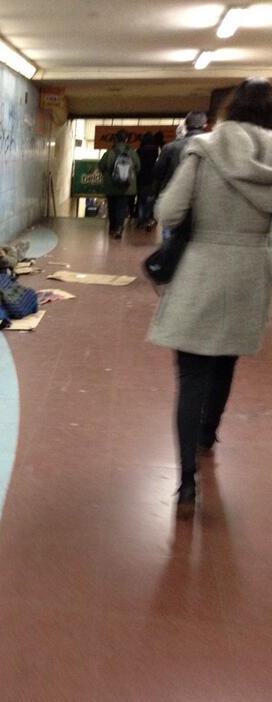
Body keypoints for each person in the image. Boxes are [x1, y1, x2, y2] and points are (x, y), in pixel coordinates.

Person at [149, 78, 272, 518]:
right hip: (250, 272)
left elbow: (169, 212)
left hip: (201, 270)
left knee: (192, 376)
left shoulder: (204, 149)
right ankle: (208, 436)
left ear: (229, 109)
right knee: (226, 363)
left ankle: (186, 482)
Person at [152, 111, 208, 199]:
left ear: (186, 125)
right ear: (204, 125)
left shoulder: (170, 147)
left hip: (172, 196)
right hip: (202, 198)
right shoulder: (212, 148)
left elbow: (158, 174)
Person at [99, 129, 140, 239]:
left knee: (112, 207)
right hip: (126, 187)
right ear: (126, 139)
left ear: (116, 139)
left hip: (111, 186)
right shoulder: (132, 153)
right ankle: (119, 228)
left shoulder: (109, 153)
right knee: (121, 208)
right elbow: (138, 167)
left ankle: (112, 228)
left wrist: (110, 175)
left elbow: (101, 166)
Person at [136, 132, 159, 230]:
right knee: (150, 201)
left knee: (141, 200)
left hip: (141, 178)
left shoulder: (139, 150)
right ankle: (148, 220)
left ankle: (141, 220)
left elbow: (137, 165)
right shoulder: (156, 150)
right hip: (152, 178)